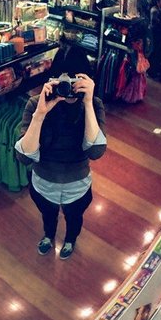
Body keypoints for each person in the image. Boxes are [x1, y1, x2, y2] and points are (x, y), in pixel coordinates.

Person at [15, 74, 107, 260]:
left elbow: (96, 152)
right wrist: (40, 114)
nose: (68, 88)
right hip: (43, 185)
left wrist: (88, 103)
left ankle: (70, 240)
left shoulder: (93, 104)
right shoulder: (36, 103)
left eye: (74, 82)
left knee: (74, 219)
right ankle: (49, 236)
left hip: (78, 187)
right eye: (63, 81)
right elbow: (24, 157)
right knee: (48, 217)